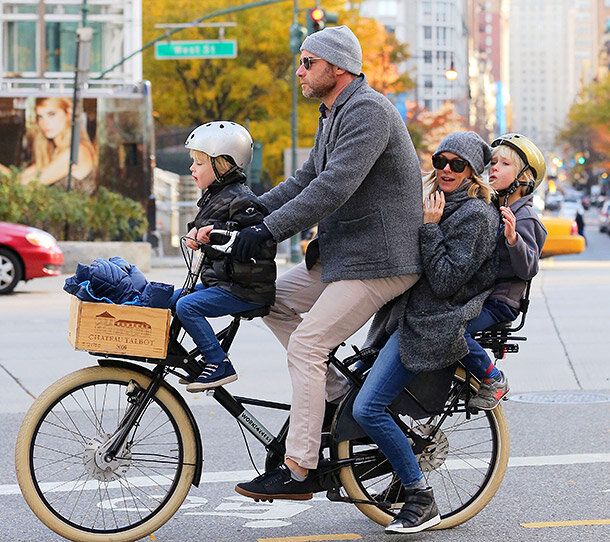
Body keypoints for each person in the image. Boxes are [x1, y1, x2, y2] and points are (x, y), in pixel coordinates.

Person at [232, 25, 423, 500]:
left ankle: (299, 468)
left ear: (337, 67)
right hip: (345, 255)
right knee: (269, 299)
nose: (299, 71)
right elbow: (304, 179)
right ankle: (339, 398)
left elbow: (333, 186)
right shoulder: (333, 112)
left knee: (307, 345)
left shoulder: (368, 111)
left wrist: (268, 231)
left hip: (383, 260)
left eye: (307, 62)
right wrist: (248, 213)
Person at [352, 131, 499, 534]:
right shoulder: (431, 201)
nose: (447, 170)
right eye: (441, 160)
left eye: (458, 164)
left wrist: (430, 227)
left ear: (473, 172)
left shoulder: (475, 215)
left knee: (368, 408)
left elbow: (446, 280)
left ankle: (420, 496)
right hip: (405, 313)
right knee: (350, 389)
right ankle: (399, 478)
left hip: (433, 320)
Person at [171, 121, 277, 391]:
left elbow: (248, 238)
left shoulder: (243, 199)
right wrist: (197, 233)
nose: (192, 168)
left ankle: (218, 363)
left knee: (187, 306)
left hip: (244, 288)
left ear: (223, 166)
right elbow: (206, 224)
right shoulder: (215, 196)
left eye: (199, 163)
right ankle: (187, 360)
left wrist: (213, 233)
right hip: (222, 281)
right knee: (172, 298)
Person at [463, 133, 547, 410]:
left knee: (452, 331)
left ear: (524, 176)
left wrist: (513, 239)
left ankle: (493, 378)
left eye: (504, 164)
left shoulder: (525, 218)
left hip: (501, 302)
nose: (494, 168)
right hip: (482, 295)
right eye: (492, 163)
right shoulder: (493, 207)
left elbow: (529, 268)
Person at [19, 97, 96, 195]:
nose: (44, 123)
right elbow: (19, 178)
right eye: (40, 117)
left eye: (51, 114)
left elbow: (30, 183)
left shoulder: (76, 152)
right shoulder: (55, 151)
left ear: (68, 113)